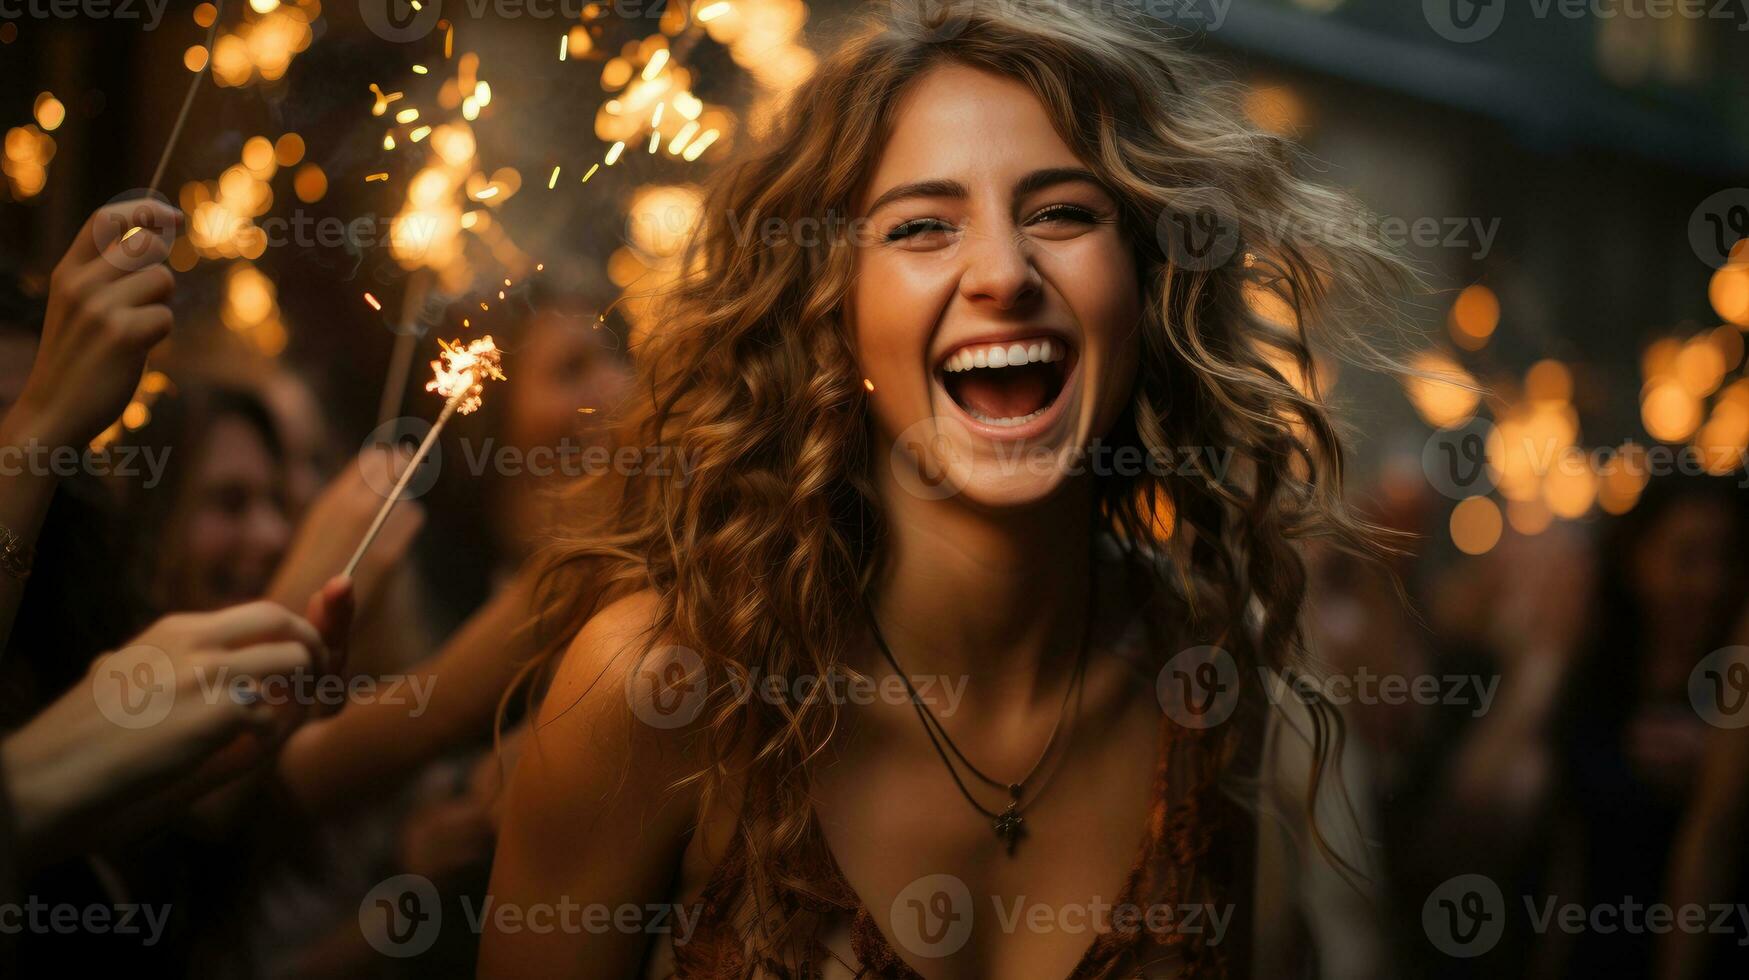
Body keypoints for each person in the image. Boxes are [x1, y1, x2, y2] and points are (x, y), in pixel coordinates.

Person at [484, 3, 1413, 977]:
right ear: (828, 304)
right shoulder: (661, 690)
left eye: (1061, 212)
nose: (1004, 274)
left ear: (1145, 282)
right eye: (923, 226)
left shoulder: (1220, 691)